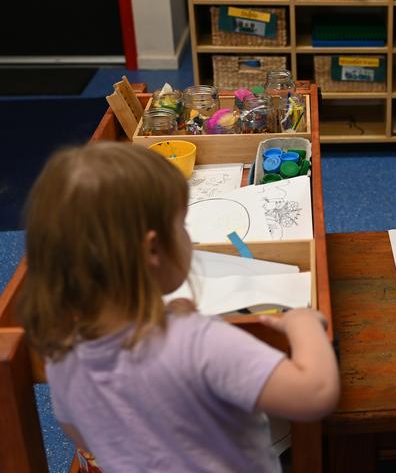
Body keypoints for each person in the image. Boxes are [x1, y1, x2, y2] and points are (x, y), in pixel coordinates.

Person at [18, 142, 339, 473]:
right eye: (182, 225)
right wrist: (303, 324)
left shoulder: (61, 353)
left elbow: (84, 435)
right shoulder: (200, 343)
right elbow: (314, 393)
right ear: (153, 250)